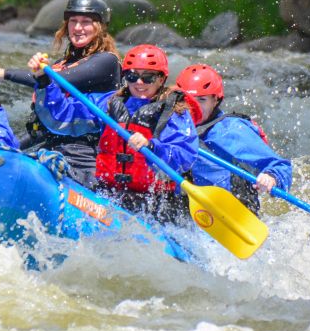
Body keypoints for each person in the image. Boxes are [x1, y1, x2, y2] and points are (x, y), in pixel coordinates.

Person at [28, 44, 200, 223]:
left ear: (161, 79)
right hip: (109, 192)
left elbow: (185, 155)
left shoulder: (174, 112)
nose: (139, 83)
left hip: (154, 204)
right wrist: (44, 81)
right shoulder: (109, 103)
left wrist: (151, 146)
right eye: (132, 76)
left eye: (147, 77)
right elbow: (62, 117)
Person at [0, 0, 121, 151]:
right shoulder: (62, 63)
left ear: (100, 27)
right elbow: (45, 128)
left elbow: (55, 81)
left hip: (88, 150)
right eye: (73, 21)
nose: (77, 27)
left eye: (85, 22)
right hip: (58, 144)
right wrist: (13, 148)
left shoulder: (107, 61)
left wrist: (5, 73)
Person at [175, 64, 292, 214]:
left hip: (231, 208)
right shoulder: (173, 125)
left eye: (202, 100)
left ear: (215, 100)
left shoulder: (230, 130)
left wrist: (271, 177)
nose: (194, 107)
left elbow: (281, 166)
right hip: (188, 206)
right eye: (188, 100)